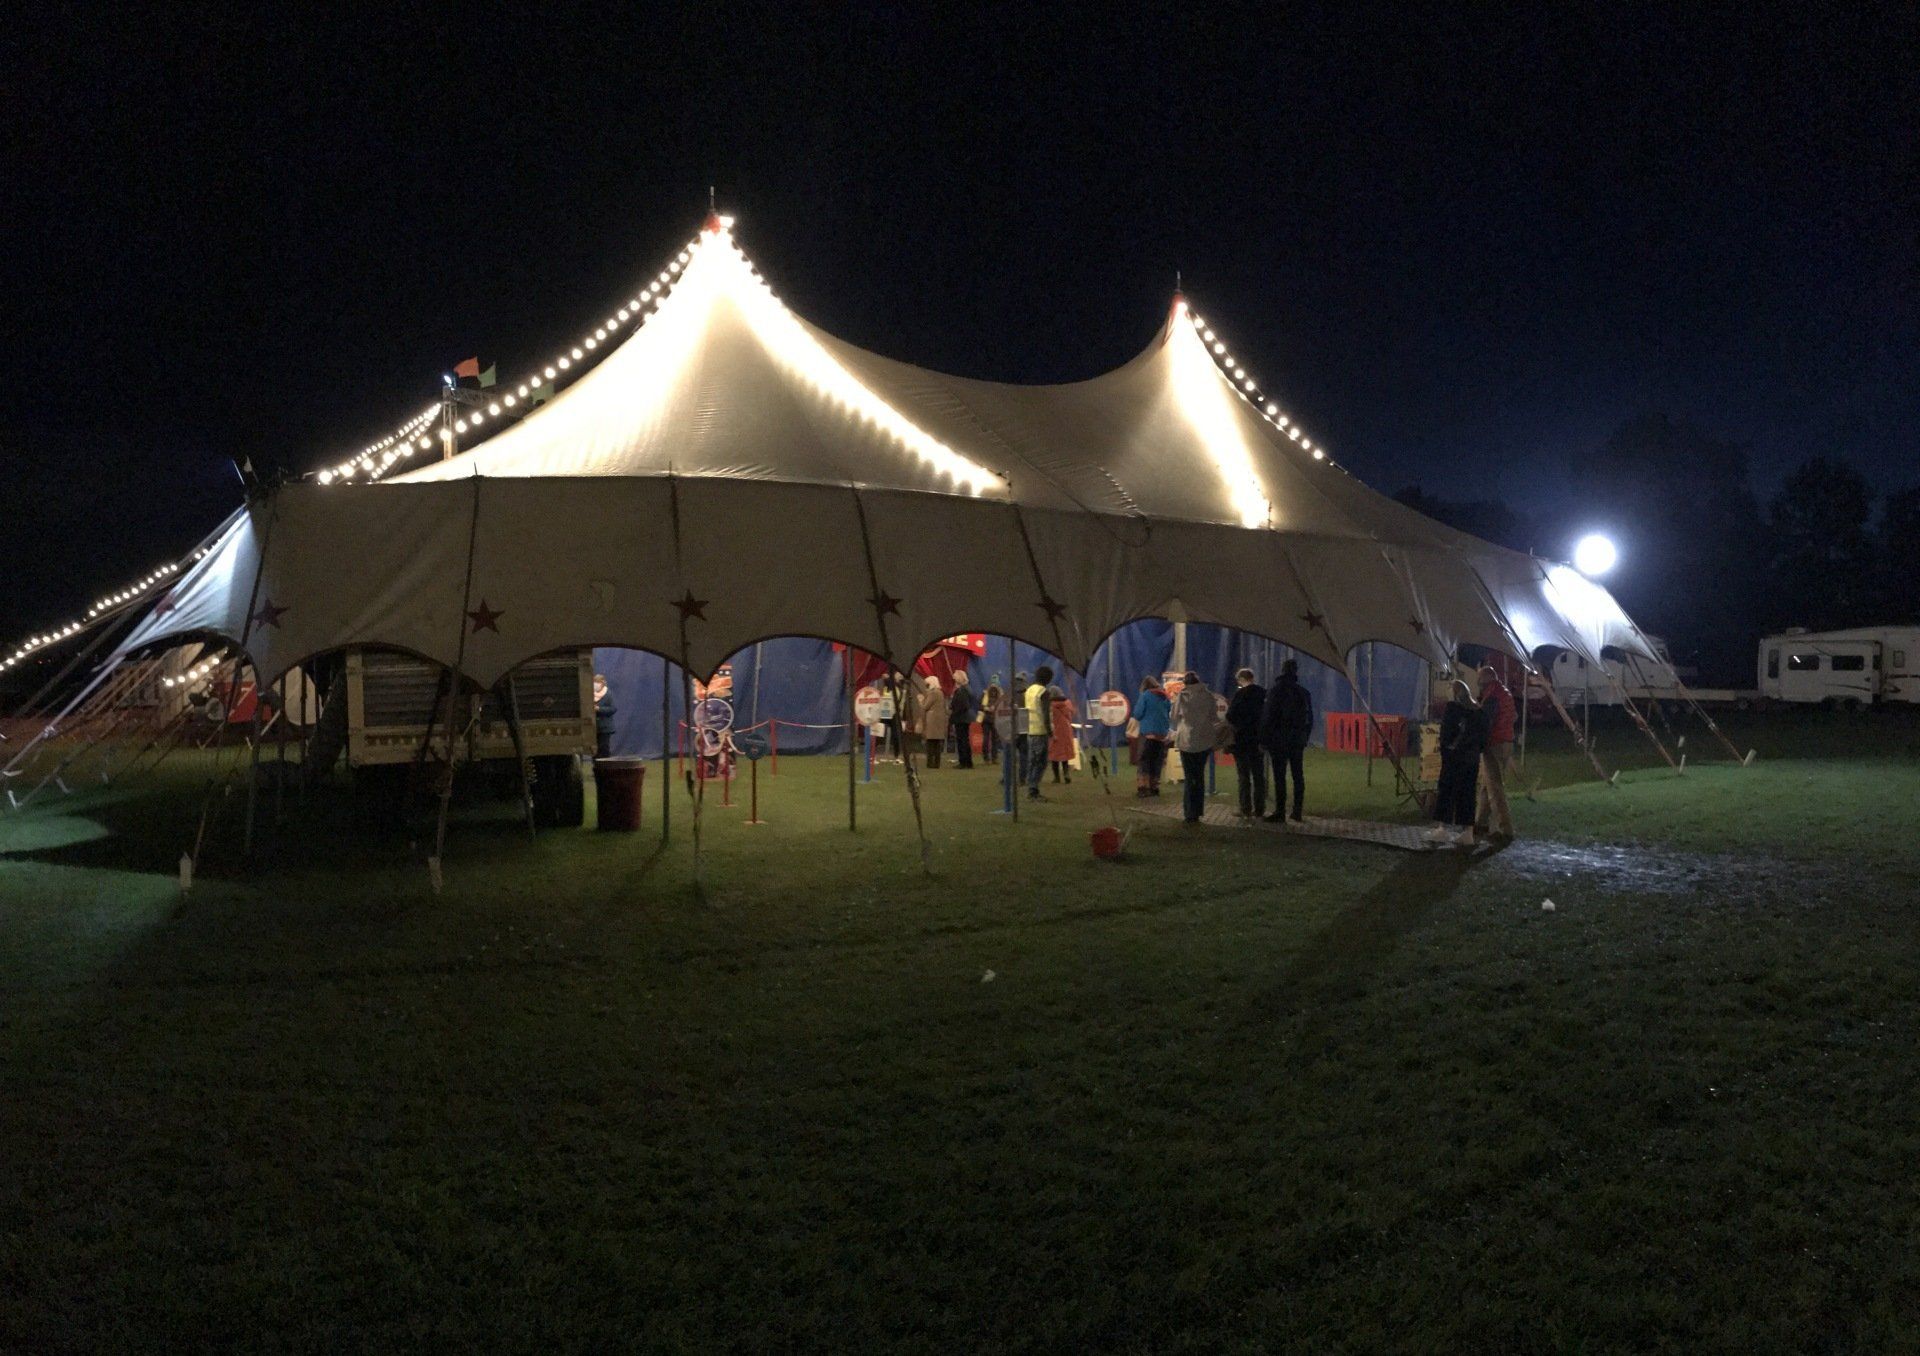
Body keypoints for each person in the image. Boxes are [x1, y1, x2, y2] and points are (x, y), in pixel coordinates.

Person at [1426, 677, 1488, 847]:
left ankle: (1442, 829)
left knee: (1447, 791)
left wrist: (1447, 749)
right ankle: (1467, 832)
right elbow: (1483, 736)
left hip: (1454, 759)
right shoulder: (1478, 711)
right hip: (1471, 759)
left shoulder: (1452, 709)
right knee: (1467, 794)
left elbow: (1446, 734)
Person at [1260, 659, 1314, 823]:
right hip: (1297, 740)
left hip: (1279, 740)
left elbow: (1268, 717)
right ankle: (1297, 811)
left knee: (1280, 776)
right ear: (1295, 671)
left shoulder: (1275, 691)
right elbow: (1309, 718)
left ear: (1282, 670)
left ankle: (1280, 811)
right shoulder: (1303, 692)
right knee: (1298, 775)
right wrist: (1305, 737)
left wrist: (1264, 739)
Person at [1475, 663, 1517, 840]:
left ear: (1485, 681)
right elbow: (1514, 716)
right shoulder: (1504, 692)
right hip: (1505, 741)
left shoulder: (1492, 697)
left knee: (1495, 787)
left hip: (1494, 743)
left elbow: (1485, 721)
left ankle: (1504, 828)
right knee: (1488, 784)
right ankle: (1481, 822)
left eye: (1480, 683)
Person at [1171, 670, 1218, 823]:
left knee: (1190, 777)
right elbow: (1214, 716)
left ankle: (1189, 812)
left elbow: (1173, 716)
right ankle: (1198, 810)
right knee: (1199, 776)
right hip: (1204, 740)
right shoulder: (1208, 695)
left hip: (1186, 741)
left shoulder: (1182, 696)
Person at [1224, 667, 1267, 817]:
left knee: (1243, 776)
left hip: (1242, 740)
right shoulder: (1263, 693)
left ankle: (1245, 808)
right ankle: (1260, 808)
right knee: (1259, 775)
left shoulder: (1240, 694)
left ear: (1241, 680)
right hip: (1258, 739)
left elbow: (1230, 716)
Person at [1133, 674, 1171, 797]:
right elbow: (1168, 710)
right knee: (1157, 762)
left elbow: (1138, 714)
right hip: (1162, 735)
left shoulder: (1145, 696)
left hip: (1148, 734)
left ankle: (1143, 788)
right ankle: (1155, 787)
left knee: (1144, 761)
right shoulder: (1165, 696)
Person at [1023, 665, 1054, 799]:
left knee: (1032, 760)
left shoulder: (1029, 690)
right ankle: (1033, 789)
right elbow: (1045, 713)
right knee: (1040, 762)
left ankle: (1031, 787)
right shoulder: (1043, 692)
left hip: (1029, 729)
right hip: (1040, 731)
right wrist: (1050, 731)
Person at [917, 671, 949, 768]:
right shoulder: (940, 692)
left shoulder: (934, 693)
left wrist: (920, 700)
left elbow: (925, 706)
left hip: (932, 721)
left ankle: (931, 763)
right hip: (938, 721)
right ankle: (936, 763)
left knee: (931, 743)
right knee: (936, 743)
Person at [1048, 684, 1078, 783]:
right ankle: (1066, 774)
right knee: (1065, 755)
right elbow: (1071, 715)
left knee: (1054, 756)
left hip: (1055, 731)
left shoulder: (1050, 706)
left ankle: (1056, 777)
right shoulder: (1067, 703)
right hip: (1066, 731)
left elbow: (1049, 720)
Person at [948, 671, 977, 768]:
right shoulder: (968, 689)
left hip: (961, 718)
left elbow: (962, 705)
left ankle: (964, 761)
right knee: (964, 740)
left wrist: (953, 710)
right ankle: (967, 762)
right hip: (965, 718)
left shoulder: (962, 690)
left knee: (962, 740)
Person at [592, 673, 618, 759]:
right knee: (594, 750)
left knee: (604, 749)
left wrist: (599, 709)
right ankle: (595, 768)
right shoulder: (590, 693)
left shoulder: (608, 694)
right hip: (593, 727)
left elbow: (613, 709)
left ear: (603, 683)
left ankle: (606, 768)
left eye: (597, 682)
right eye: (594, 682)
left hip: (605, 728)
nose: (596, 684)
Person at [980, 680, 1002, 764]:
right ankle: (994, 758)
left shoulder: (985, 694)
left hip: (986, 719)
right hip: (995, 719)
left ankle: (986, 758)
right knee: (994, 739)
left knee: (986, 738)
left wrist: (987, 708)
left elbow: (981, 706)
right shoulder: (1000, 694)